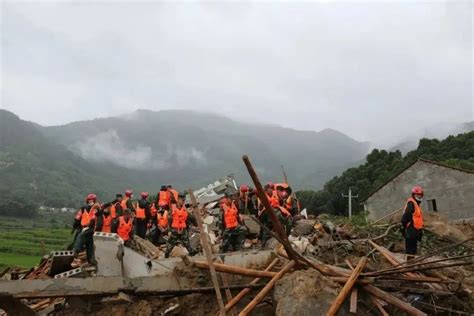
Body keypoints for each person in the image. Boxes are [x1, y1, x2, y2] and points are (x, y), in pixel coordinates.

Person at [71, 194, 100, 267]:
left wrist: (75, 227)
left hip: (90, 228)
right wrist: (75, 227)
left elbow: (93, 219)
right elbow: (77, 218)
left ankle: (75, 251)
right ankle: (91, 261)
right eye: (90, 201)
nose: (91, 202)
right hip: (85, 228)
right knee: (89, 244)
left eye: (92, 201)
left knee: (81, 238)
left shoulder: (95, 209)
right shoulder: (83, 209)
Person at [401, 186, 425, 259]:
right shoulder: (411, 203)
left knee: (413, 250)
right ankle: (410, 266)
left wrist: (420, 231)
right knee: (410, 251)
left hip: (415, 230)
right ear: (414, 195)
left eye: (420, 195)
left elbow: (418, 219)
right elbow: (406, 216)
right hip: (411, 229)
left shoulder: (416, 204)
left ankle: (412, 265)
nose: (419, 196)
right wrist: (404, 227)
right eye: (417, 194)